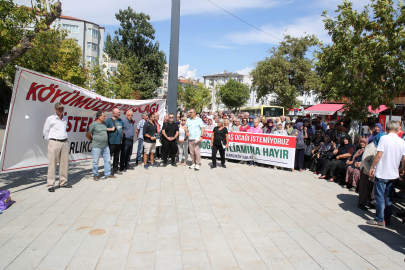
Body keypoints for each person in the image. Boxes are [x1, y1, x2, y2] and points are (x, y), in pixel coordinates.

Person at [367, 121, 405, 226]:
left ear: (386, 129)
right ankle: (387, 218)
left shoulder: (384, 138)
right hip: (394, 173)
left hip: (382, 172)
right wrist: (402, 168)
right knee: (389, 197)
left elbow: (379, 154)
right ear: (398, 130)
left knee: (379, 197)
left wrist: (372, 166)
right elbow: (404, 158)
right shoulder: (402, 141)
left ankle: (380, 219)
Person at [43, 102, 71, 192]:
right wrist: (51, 140)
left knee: (64, 164)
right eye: (59, 109)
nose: (61, 110)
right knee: (52, 164)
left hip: (64, 142)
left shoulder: (65, 118)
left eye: (62, 108)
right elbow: (45, 131)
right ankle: (50, 184)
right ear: (55, 109)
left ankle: (63, 182)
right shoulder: (51, 119)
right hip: (54, 141)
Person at [86, 111, 117, 181]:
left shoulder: (104, 123)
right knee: (95, 161)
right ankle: (95, 175)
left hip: (105, 146)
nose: (105, 117)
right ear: (99, 117)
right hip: (96, 146)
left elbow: (104, 129)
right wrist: (92, 140)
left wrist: (111, 129)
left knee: (108, 160)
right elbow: (88, 134)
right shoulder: (93, 124)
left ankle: (107, 174)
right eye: (104, 116)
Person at [358, 133, 385, 210]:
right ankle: (362, 203)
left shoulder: (381, 146)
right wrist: (369, 169)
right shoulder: (371, 146)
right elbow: (364, 160)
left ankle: (371, 202)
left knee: (372, 188)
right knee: (365, 188)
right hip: (367, 169)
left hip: (375, 171)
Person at [106, 108, 124, 175]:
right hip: (111, 142)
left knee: (116, 157)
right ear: (113, 113)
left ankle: (115, 169)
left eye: (119, 112)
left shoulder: (121, 121)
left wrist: (121, 139)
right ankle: (108, 170)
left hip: (118, 142)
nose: (119, 114)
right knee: (109, 157)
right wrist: (110, 129)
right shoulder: (108, 121)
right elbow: (104, 129)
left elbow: (122, 130)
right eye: (117, 113)